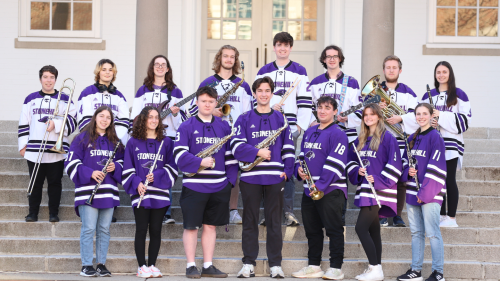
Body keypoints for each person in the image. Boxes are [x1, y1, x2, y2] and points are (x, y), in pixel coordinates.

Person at [231, 77, 294, 278]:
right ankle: (248, 263)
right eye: (260, 90)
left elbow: (289, 147)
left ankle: (275, 264)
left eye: (267, 90)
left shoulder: (280, 119)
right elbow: (236, 147)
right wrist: (257, 153)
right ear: (255, 94)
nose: (264, 94)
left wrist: (288, 171)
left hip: (275, 177)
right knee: (250, 221)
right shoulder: (244, 118)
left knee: (275, 222)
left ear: (272, 93)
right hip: (251, 177)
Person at [174, 86, 238, 279]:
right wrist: (199, 162)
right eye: (204, 101)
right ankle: (191, 265)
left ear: (216, 103)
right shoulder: (186, 126)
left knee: (210, 226)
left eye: (211, 101)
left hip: (219, 186)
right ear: (197, 102)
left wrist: (230, 182)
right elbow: (178, 155)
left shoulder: (224, 126)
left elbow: (231, 158)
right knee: (192, 226)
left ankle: (208, 265)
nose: (207, 104)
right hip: (194, 185)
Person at [188, 45, 253, 224]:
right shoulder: (207, 83)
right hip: (210, 134)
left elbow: (249, 113)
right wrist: (212, 111)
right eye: (226, 56)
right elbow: (193, 109)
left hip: (234, 135)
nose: (229, 60)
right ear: (219, 58)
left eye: (232, 57)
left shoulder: (243, 85)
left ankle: (232, 210)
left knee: (234, 172)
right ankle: (207, 208)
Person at [255, 31, 311, 226]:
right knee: (266, 167)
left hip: (290, 127)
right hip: (267, 126)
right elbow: (258, 97)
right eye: (279, 45)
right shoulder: (264, 70)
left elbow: (305, 101)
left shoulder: (300, 70)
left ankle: (288, 212)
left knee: (288, 167)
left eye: (286, 45)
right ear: (274, 47)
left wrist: (299, 127)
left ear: (291, 48)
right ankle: (267, 212)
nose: (282, 48)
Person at [291, 96, 348, 280]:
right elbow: (302, 156)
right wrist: (298, 169)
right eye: (320, 107)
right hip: (310, 190)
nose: (322, 110)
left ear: (334, 112)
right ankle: (314, 265)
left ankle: (336, 268)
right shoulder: (310, 131)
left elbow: (336, 163)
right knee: (312, 230)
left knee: (334, 229)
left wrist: (320, 186)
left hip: (330, 190)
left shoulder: (338, 133)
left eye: (327, 108)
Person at [65, 106, 124, 277]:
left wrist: (116, 167)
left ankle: (101, 264)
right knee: (89, 228)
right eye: (102, 116)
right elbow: (70, 162)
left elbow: (125, 164)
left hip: (108, 192)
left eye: (108, 117)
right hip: (87, 191)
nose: (105, 120)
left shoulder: (116, 142)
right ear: (95, 117)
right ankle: (86, 265)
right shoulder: (81, 138)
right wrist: (89, 172)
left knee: (104, 229)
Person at [346, 104, 402, 281]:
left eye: (372, 114)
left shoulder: (388, 138)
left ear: (379, 116)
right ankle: (377, 269)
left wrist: (377, 180)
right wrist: (358, 171)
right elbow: (350, 161)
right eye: (365, 115)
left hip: (381, 189)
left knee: (360, 228)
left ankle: (375, 267)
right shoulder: (360, 139)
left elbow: (395, 165)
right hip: (366, 189)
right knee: (373, 229)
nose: (368, 117)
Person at [122, 106, 178, 278]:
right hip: (141, 193)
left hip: (159, 192)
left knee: (156, 230)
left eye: (156, 117)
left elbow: (172, 167)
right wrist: (137, 182)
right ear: (144, 119)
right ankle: (141, 266)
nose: (154, 120)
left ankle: (152, 265)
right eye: (150, 117)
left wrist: (159, 175)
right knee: (141, 230)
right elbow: (127, 167)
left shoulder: (166, 142)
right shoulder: (133, 142)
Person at [19, 65, 77, 223]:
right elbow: (24, 123)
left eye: (52, 77)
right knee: (35, 183)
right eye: (45, 77)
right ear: (40, 79)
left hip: (56, 150)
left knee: (55, 183)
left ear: (56, 80)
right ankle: (32, 213)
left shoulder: (65, 98)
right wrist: (23, 145)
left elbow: (72, 122)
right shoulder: (30, 99)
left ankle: (53, 213)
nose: (48, 80)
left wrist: (56, 125)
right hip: (34, 149)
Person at [130, 55, 183, 225]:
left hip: (168, 138)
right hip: (147, 138)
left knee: (165, 171)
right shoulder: (142, 90)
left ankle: (165, 212)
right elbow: (136, 117)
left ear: (168, 69)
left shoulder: (175, 92)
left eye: (163, 65)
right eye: (156, 64)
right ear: (152, 68)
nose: (160, 67)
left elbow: (180, 123)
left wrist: (175, 114)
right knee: (148, 170)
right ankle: (144, 206)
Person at [396, 103, 447, 281]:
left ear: (431, 115)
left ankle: (438, 272)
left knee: (432, 232)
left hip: (430, 193)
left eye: (425, 113)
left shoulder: (436, 137)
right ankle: (416, 270)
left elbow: (438, 167)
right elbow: (403, 162)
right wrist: (407, 170)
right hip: (412, 192)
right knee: (416, 233)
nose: (421, 117)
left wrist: (423, 194)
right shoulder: (412, 137)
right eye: (418, 114)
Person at [422, 61, 471, 228]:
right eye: (438, 72)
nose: (441, 75)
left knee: (449, 179)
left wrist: (440, 116)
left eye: (444, 71)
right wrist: (431, 122)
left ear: (450, 74)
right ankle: (441, 215)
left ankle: (451, 218)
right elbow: (420, 117)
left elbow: (465, 120)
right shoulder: (428, 95)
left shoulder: (459, 94)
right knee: (438, 180)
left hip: (451, 143)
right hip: (434, 143)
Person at [377, 55, 419, 227]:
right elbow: (366, 115)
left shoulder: (409, 92)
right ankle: (381, 214)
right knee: (381, 176)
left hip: (401, 140)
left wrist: (400, 118)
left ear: (400, 70)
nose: (391, 70)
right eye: (388, 67)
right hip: (381, 140)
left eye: (395, 67)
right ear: (384, 70)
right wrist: (376, 110)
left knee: (401, 179)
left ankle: (397, 215)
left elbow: (416, 115)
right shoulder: (376, 91)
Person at [307, 45, 361, 143]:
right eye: (328, 57)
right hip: (320, 134)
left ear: (340, 59)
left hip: (347, 136)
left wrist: (348, 118)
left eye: (335, 56)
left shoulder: (352, 82)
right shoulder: (315, 82)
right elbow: (307, 106)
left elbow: (360, 109)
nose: (332, 59)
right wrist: (312, 122)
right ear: (324, 59)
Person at [77, 59, 130, 146]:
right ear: (98, 72)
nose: (107, 72)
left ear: (114, 73)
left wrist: (113, 137)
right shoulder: (87, 92)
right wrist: (98, 136)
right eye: (104, 69)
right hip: (93, 141)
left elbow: (124, 120)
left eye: (110, 70)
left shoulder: (119, 96)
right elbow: (85, 118)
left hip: (113, 140)